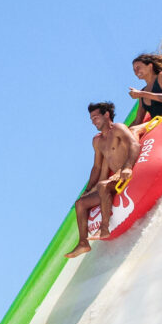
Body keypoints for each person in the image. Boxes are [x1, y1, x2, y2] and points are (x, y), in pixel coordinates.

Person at [68, 101, 139, 257]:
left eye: (96, 117)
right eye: (91, 119)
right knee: (80, 203)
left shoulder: (118, 129)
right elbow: (97, 168)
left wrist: (127, 167)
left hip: (127, 173)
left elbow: (134, 145)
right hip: (114, 180)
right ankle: (83, 243)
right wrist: (87, 190)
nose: (93, 121)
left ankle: (104, 227)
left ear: (106, 115)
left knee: (103, 185)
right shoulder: (97, 141)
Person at [129, 48, 162, 139]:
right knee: (129, 132)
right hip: (157, 123)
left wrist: (142, 94)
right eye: (134, 70)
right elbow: (138, 120)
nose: (136, 72)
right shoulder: (142, 92)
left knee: (134, 130)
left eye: (138, 68)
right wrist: (120, 130)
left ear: (150, 66)